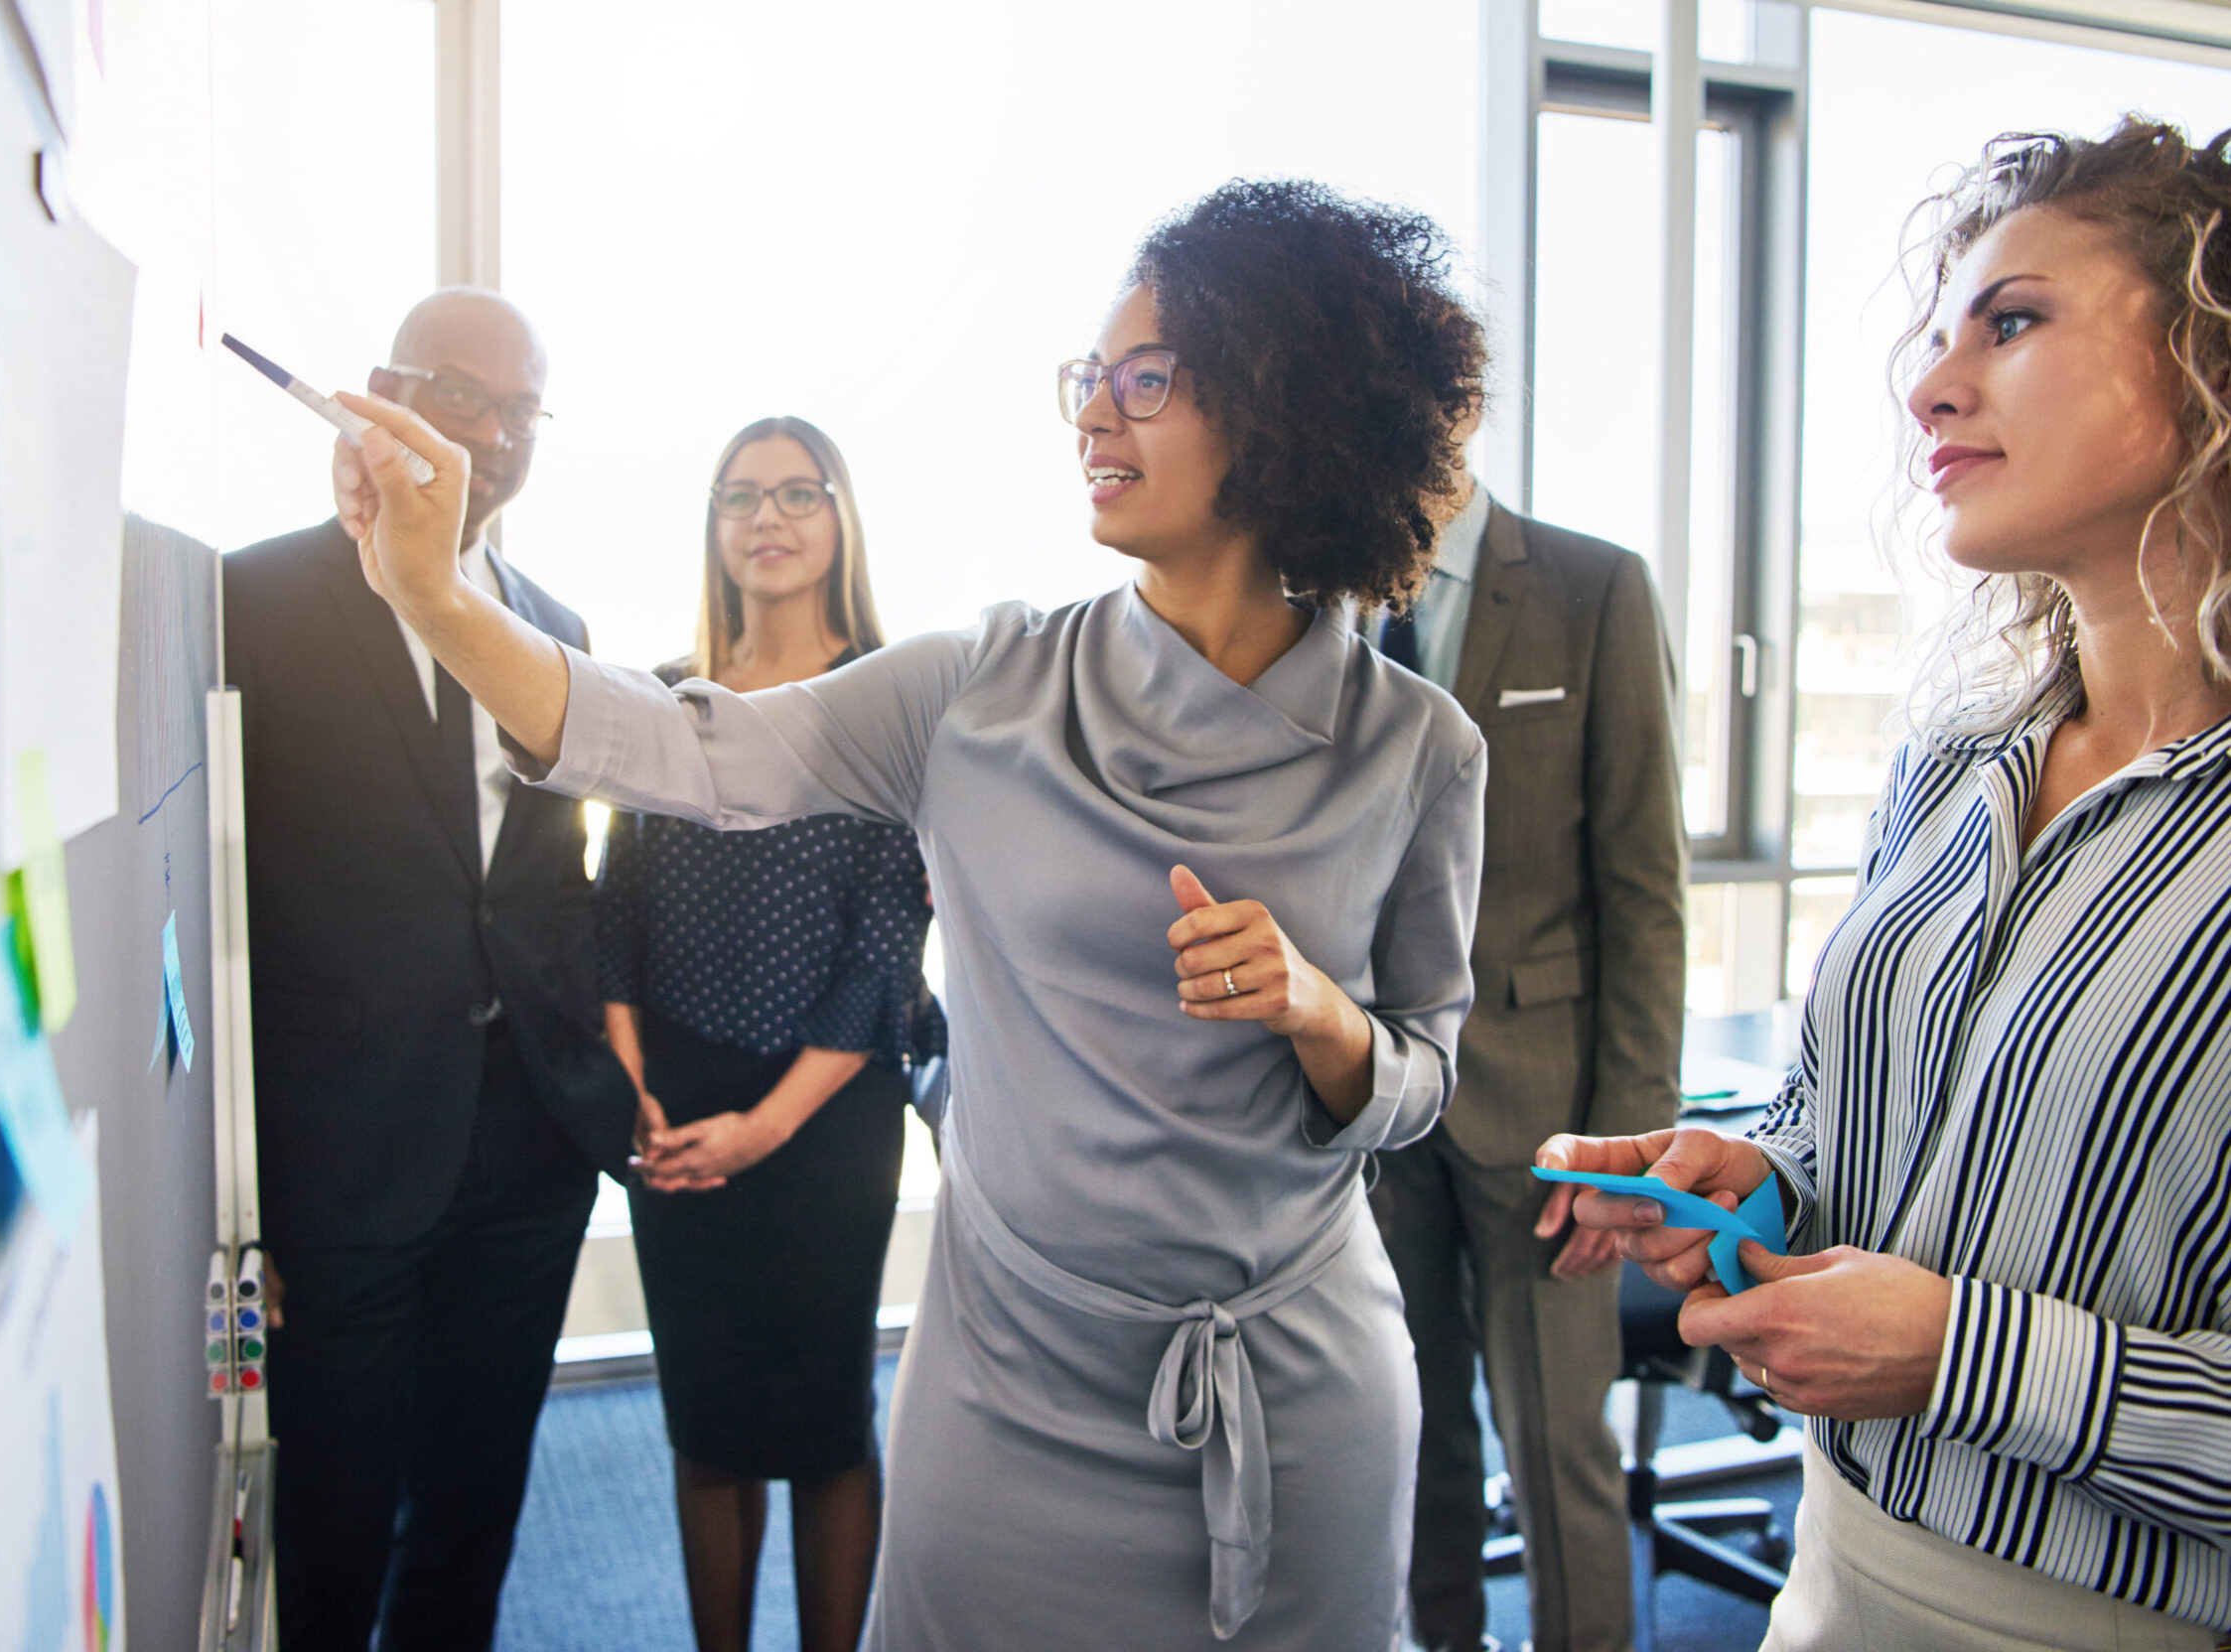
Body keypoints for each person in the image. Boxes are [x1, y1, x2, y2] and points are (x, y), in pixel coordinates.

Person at [328, 179, 1489, 1649]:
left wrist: (1320, 1013)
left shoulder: (1420, 748)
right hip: (1013, 1387)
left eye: (1146, 381)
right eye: (1089, 378)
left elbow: (1419, 1084)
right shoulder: (975, 690)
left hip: (1294, 1391)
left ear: (1283, 409)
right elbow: (681, 745)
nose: (1093, 418)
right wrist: (436, 602)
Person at [1544, 119, 2231, 1650]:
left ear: (2209, 357)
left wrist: (1955, 1359)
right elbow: (1871, 1136)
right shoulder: (1955, 764)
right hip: (1831, 1572)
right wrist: (1766, 1179)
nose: (1927, 387)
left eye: (2011, 320)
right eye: (1935, 338)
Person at [222, 287, 635, 1652]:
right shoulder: (254, 599)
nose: (494, 433)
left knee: (475, 1506)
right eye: (463, 393)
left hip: (525, 1139)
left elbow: (546, 878)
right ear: (381, 390)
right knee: (336, 1518)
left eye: (521, 410)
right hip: (343, 1152)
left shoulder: (553, 620)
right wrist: (241, 1190)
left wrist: (596, 1064)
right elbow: (216, 902)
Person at [596, 415, 941, 1652]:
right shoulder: (664, 693)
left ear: (841, 518)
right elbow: (616, 907)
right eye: (740, 494)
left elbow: (883, 956)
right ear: (714, 524)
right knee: (707, 1414)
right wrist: (631, 1085)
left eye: (800, 491)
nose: (768, 516)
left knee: (825, 1419)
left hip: (828, 1111)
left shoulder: (892, 698)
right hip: (674, 1100)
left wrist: (762, 1129)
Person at [1369, 450, 1685, 1652]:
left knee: (1560, 1447)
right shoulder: (1320, 592)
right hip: (1372, 1109)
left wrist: (1629, 1157)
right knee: (1411, 1430)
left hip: (1550, 1114)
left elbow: (1646, 892)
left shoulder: (1591, 587)